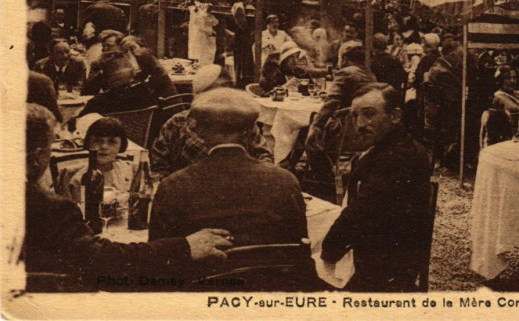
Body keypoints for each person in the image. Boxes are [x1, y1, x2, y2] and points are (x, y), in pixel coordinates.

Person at [24, 103, 234, 290]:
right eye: (50, 149)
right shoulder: (51, 207)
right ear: (37, 156)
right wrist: (184, 247)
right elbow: (102, 259)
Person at [149, 89, 316, 287]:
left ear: (200, 132)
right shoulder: (285, 181)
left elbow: (160, 256)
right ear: (250, 132)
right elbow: (298, 246)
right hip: (274, 289)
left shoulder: (174, 185)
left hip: (204, 295)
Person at [321, 83, 432, 292]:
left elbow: (361, 212)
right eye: (354, 116)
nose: (360, 124)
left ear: (395, 116)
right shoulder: (391, 146)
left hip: (383, 273)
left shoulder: (397, 159)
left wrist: (328, 252)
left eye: (369, 114)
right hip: (380, 257)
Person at [151, 65, 273, 177]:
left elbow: (263, 156)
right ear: (200, 94)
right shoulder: (178, 123)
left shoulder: (243, 122)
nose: (223, 97)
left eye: (227, 90)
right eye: (215, 93)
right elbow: (159, 165)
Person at [306, 46, 376, 149]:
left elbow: (332, 101)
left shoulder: (346, 72)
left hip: (346, 130)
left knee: (305, 130)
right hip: (366, 128)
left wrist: (316, 125)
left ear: (345, 60)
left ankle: (318, 164)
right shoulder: (370, 74)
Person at [64, 117, 134, 202]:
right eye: (97, 141)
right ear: (89, 144)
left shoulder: (129, 171)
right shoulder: (77, 178)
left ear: (121, 145)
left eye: (112, 142)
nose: (104, 147)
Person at [231, 2, 255, 88]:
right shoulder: (239, 10)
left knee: (247, 61)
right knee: (240, 62)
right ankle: (240, 81)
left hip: (247, 40)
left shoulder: (251, 26)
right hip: (240, 40)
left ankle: (246, 81)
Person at [491, 65, 519, 131]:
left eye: (514, 78)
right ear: (500, 80)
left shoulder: (515, 93)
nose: (512, 81)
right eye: (508, 78)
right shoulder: (499, 95)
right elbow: (516, 109)